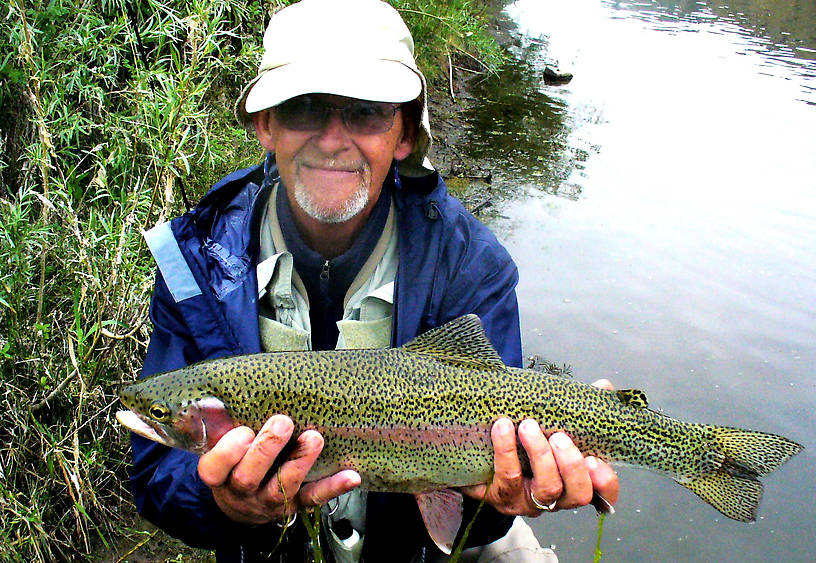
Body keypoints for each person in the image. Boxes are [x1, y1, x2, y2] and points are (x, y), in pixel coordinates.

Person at [128, 0, 619, 561]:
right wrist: (221, 504)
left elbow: (476, 522)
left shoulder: (472, 265)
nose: (333, 138)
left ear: (406, 133)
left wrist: (503, 502)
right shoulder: (195, 261)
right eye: (305, 108)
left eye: (365, 112)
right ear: (265, 125)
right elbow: (156, 479)